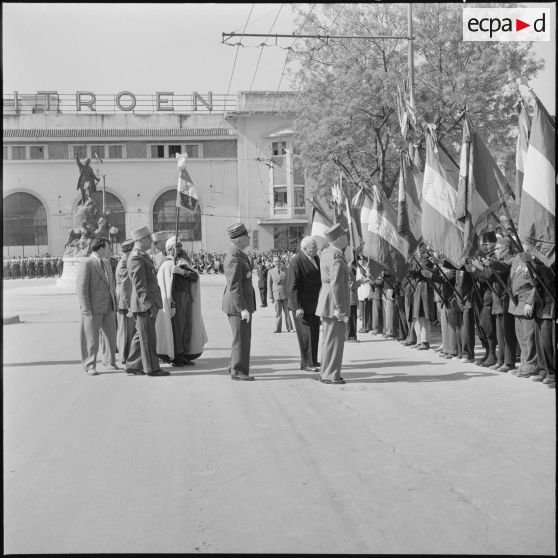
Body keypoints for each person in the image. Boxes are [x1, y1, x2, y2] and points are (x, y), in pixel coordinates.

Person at [156, 236, 207, 366]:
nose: (180, 249)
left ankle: (183, 354)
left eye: (180, 247)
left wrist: (181, 272)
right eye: (177, 247)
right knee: (177, 329)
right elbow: (166, 288)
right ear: (170, 249)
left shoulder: (181, 263)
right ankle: (176, 356)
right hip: (175, 300)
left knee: (186, 327)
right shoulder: (166, 264)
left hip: (186, 298)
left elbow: (194, 276)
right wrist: (171, 303)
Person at [125, 225, 167, 377]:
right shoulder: (136, 257)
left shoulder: (141, 254)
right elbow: (139, 285)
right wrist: (149, 305)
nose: (151, 241)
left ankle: (133, 365)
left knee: (140, 336)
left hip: (145, 302)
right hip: (144, 304)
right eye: (149, 238)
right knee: (148, 337)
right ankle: (152, 368)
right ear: (141, 240)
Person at [76, 236, 118, 375]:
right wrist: (85, 308)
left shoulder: (106, 263)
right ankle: (90, 365)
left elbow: (111, 285)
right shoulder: (87, 263)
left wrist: (114, 302)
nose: (109, 250)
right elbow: (81, 288)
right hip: (93, 308)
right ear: (100, 247)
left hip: (108, 306)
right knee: (91, 338)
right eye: (107, 247)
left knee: (111, 336)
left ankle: (110, 361)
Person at [315, 224, 350, 385]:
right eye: (345, 235)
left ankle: (326, 372)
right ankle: (331, 374)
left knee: (328, 340)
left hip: (327, 300)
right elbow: (336, 285)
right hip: (334, 303)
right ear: (339, 238)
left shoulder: (326, 253)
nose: (347, 238)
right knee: (335, 341)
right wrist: (341, 309)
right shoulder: (336, 257)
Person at [222, 223, 256, 381]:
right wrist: (242, 308)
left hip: (240, 303)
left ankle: (233, 365)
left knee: (240, 337)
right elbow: (235, 286)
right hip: (238, 305)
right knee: (241, 338)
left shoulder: (239, 253)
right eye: (246, 236)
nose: (249, 238)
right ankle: (238, 371)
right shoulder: (235, 256)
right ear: (238, 239)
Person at [287, 236, 322, 372]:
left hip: (315, 303)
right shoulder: (296, 261)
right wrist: (298, 307)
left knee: (314, 333)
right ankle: (306, 363)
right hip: (302, 305)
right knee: (305, 335)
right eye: (314, 248)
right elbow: (292, 286)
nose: (316, 250)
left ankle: (313, 360)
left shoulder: (316, 258)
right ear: (304, 248)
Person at [508, 251, 537, 378]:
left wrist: (530, 301)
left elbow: (538, 283)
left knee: (529, 336)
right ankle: (524, 364)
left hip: (526, 298)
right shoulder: (517, 259)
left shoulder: (533, 258)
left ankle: (532, 365)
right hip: (516, 300)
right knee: (520, 336)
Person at [115, 239, 135, 366]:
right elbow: (126, 287)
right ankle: (124, 356)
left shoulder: (124, 260)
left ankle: (125, 355)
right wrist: (129, 306)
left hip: (123, 299)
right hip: (124, 300)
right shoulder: (125, 262)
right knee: (125, 330)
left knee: (125, 330)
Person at [267, 255, 293, 333]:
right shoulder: (270, 271)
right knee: (278, 313)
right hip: (276, 295)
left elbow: (289, 282)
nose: (277, 263)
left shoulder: (286, 270)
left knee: (287, 312)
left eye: (278, 261)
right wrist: (270, 296)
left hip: (285, 294)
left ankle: (290, 328)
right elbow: (269, 284)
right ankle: (278, 329)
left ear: (280, 261)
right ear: (273, 262)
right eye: (275, 261)